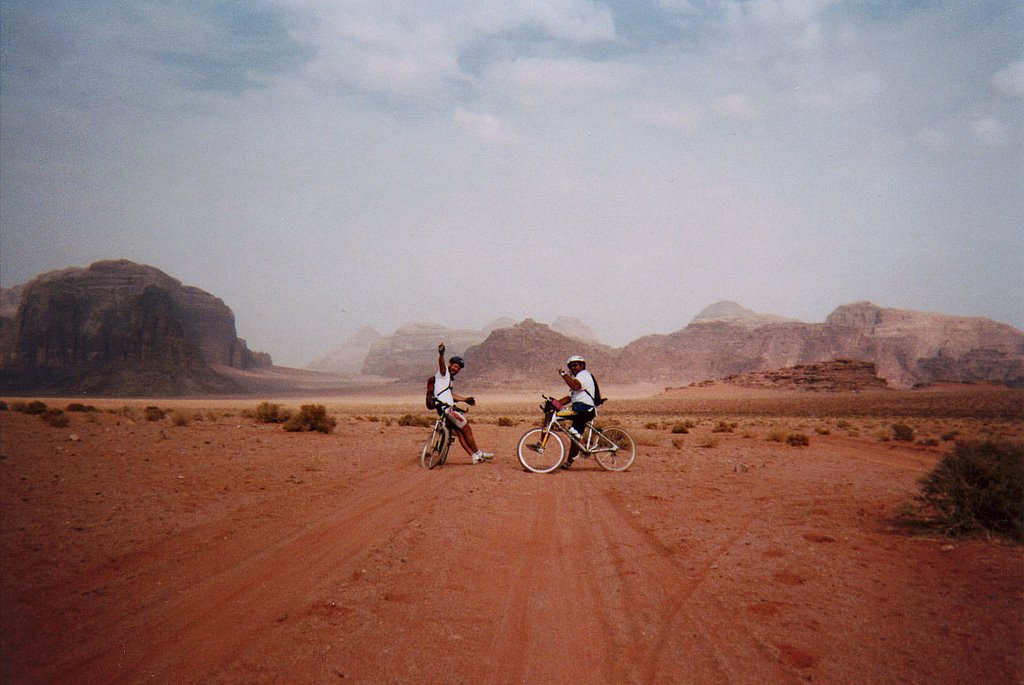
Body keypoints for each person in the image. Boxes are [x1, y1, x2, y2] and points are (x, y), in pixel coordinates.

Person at [433, 341, 493, 464]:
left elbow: (451, 395)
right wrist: (441, 354)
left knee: (460, 433)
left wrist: (465, 400)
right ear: (450, 364)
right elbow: (442, 366)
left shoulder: (448, 380)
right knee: (467, 429)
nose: (456, 369)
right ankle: (478, 453)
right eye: (455, 366)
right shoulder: (443, 374)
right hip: (447, 409)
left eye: (458, 368)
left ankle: (473, 456)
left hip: (445, 407)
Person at [553, 354, 597, 469]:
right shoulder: (578, 379)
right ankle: (569, 463)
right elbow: (569, 398)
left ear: (582, 365)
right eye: (571, 366)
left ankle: (540, 445)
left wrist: (564, 375)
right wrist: (554, 403)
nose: (573, 368)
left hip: (584, 409)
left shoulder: (583, 375)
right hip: (580, 410)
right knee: (574, 436)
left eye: (575, 365)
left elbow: (575, 386)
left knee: (557, 416)